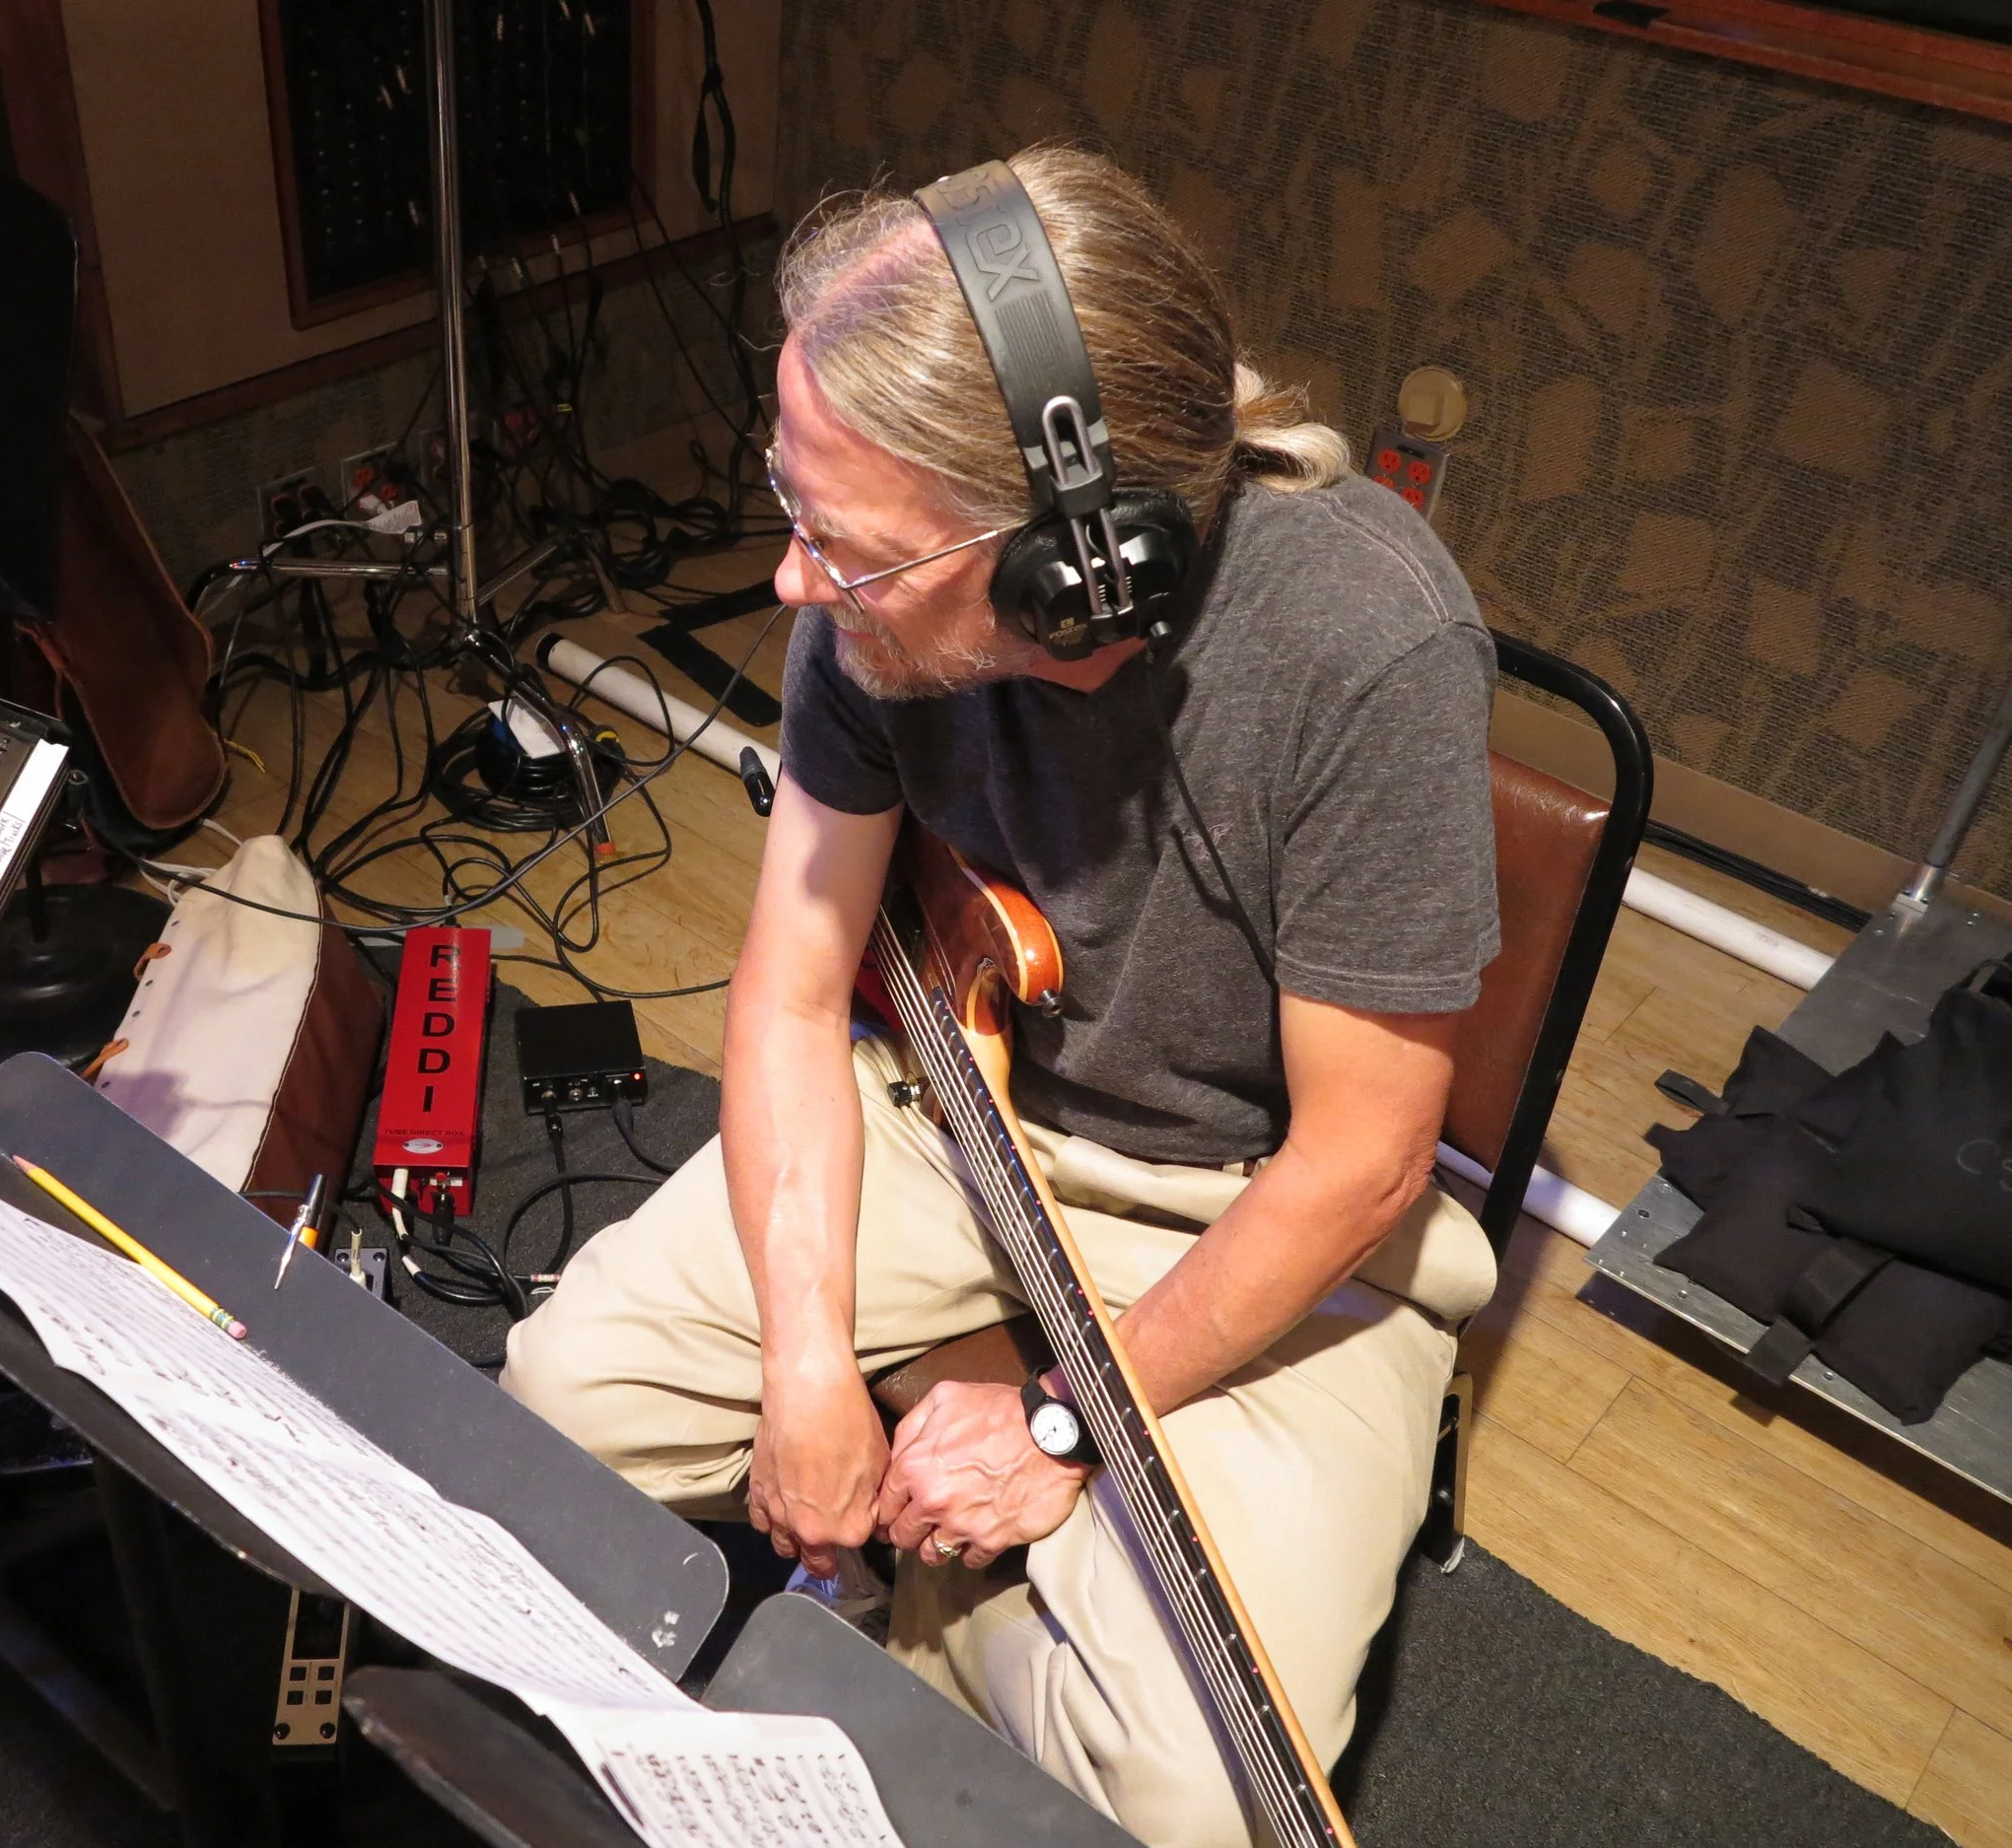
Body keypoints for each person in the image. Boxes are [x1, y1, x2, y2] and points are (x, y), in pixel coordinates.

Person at [503, 144, 1501, 1848]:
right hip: (966, 1118)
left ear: (1074, 564)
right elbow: (792, 989)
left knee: (1195, 1808)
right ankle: (952, 1481)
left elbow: (1361, 1161)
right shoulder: (862, 603)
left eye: (848, 547)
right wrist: (807, 1359)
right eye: (794, 505)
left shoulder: (1367, 640)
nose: (795, 581)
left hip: (1260, 1216)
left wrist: (1058, 1419)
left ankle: (933, 1544)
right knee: (557, 1407)